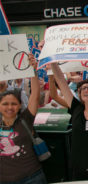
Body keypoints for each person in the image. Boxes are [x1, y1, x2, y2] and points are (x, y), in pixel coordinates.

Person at [0, 53, 47, 183]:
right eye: (5, 104)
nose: (9, 107)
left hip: (32, 178)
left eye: (14, 103)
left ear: (20, 105)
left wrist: (33, 70)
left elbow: (35, 96)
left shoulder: (25, 119)